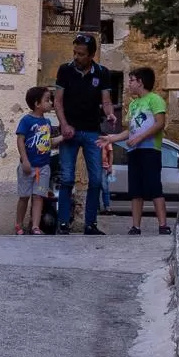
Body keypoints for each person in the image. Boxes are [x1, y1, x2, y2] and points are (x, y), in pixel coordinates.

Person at [54, 33, 116, 235]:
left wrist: (110, 114)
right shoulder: (65, 70)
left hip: (92, 132)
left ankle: (90, 224)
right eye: (75, 52)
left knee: (96, 179)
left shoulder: (102, 72)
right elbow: (58, 101)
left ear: (91, 55)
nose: (76, 57)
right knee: (67, 178)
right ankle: (63, 223)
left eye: (81, 54)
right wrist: (64, 125)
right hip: (70, 131)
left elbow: (106, 100)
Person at [98, 66, 170, 235]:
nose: (128, 84)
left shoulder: (155, 99)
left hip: (150, 150)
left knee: (154, 187)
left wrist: (140, 138)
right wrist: (112, 138)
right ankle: (135, 226)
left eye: (131, 81)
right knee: (135, 190)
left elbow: (160, 123)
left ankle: (163, 225)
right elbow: (130, 131)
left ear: (140, 82)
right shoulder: (133, 104)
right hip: (134, 151)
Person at [14, 86, 59, 235]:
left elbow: (48, 143)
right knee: (24, 197)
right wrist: (25, 160)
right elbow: (20, 140)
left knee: (39, 196)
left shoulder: (47, 123)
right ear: (37, 104)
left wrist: (63, 137)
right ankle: (19, 224)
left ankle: (35, 226)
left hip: (43, 167)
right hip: (28, 166)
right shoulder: (26, 120)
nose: (50, 103)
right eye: (47, 100)